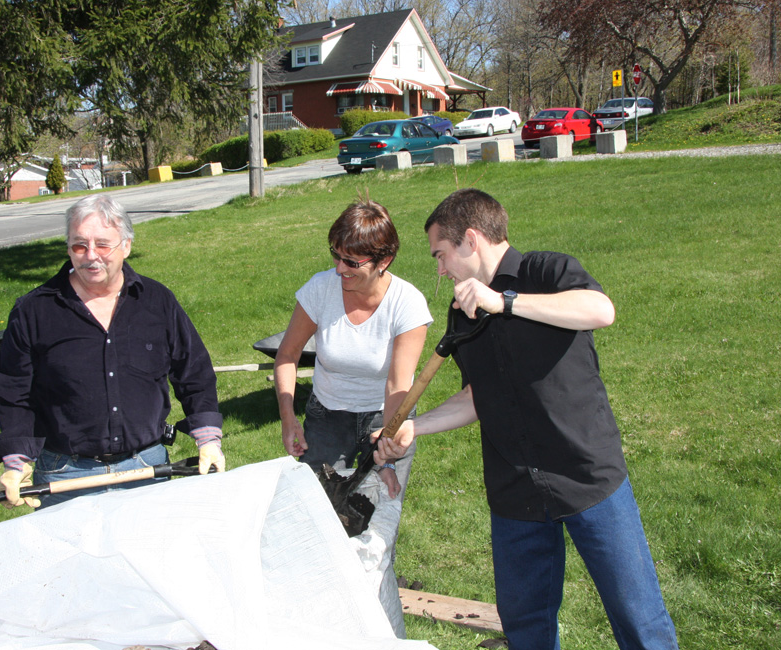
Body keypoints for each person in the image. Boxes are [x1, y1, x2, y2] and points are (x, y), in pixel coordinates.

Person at [375, 188, 678, 650]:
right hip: (515, 489)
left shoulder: (546, 271)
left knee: (638, 618)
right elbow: (476, 397)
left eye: (440, 254)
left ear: (470, 240)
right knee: (525, 626)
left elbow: (601, 310)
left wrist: (506, 301)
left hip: (587, 474)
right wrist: (419, 425)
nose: (439, 269)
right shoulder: (462, 314)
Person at [0, 194, 225, 510]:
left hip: (147, 468)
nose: (90, 256)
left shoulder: (157, 302)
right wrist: (16, 463)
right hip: (64, 474)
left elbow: (194, 373)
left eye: (102, 245)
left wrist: (208, 440)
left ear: (126, 245)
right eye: (79, 246)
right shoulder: (34, 311)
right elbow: (14, 393)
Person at [274, 198, 432, 501]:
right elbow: (287, 355)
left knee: (377, 511)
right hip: (327, 417)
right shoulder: (320, 289)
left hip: (385, 416)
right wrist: (288, 416)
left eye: (352, 262)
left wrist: (385, 451)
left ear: (383, 262)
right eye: (337, 255)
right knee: (318, 506)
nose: (339, 268)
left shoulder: (407, 304)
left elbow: (398, 384)